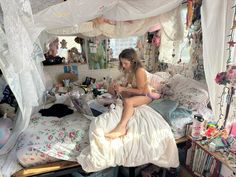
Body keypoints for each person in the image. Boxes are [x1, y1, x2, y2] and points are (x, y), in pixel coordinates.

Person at [105, 48, 160, 139]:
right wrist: (120, 86)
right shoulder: (130, 70)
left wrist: (123, 88)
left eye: (125, 63)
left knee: (128, 102)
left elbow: (141, 91)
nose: (123, 65)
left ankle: (121, 128)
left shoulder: (139, 71)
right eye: (122, 63)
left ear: (133, 61)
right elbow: (129, 85)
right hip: (137, 93)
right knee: (111, 88)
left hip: (146, 95)